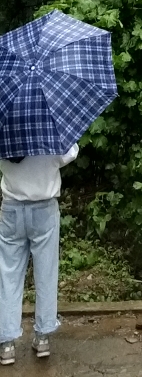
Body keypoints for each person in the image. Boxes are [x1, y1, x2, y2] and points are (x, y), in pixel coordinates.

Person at [0, 146, 78, 365]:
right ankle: (42, 337)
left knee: (8, 275)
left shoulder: (5, 130)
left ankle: (6, 344)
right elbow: (70, 153)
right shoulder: (48, 132)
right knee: (46, 274)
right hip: (44, 209)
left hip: (11, 209)